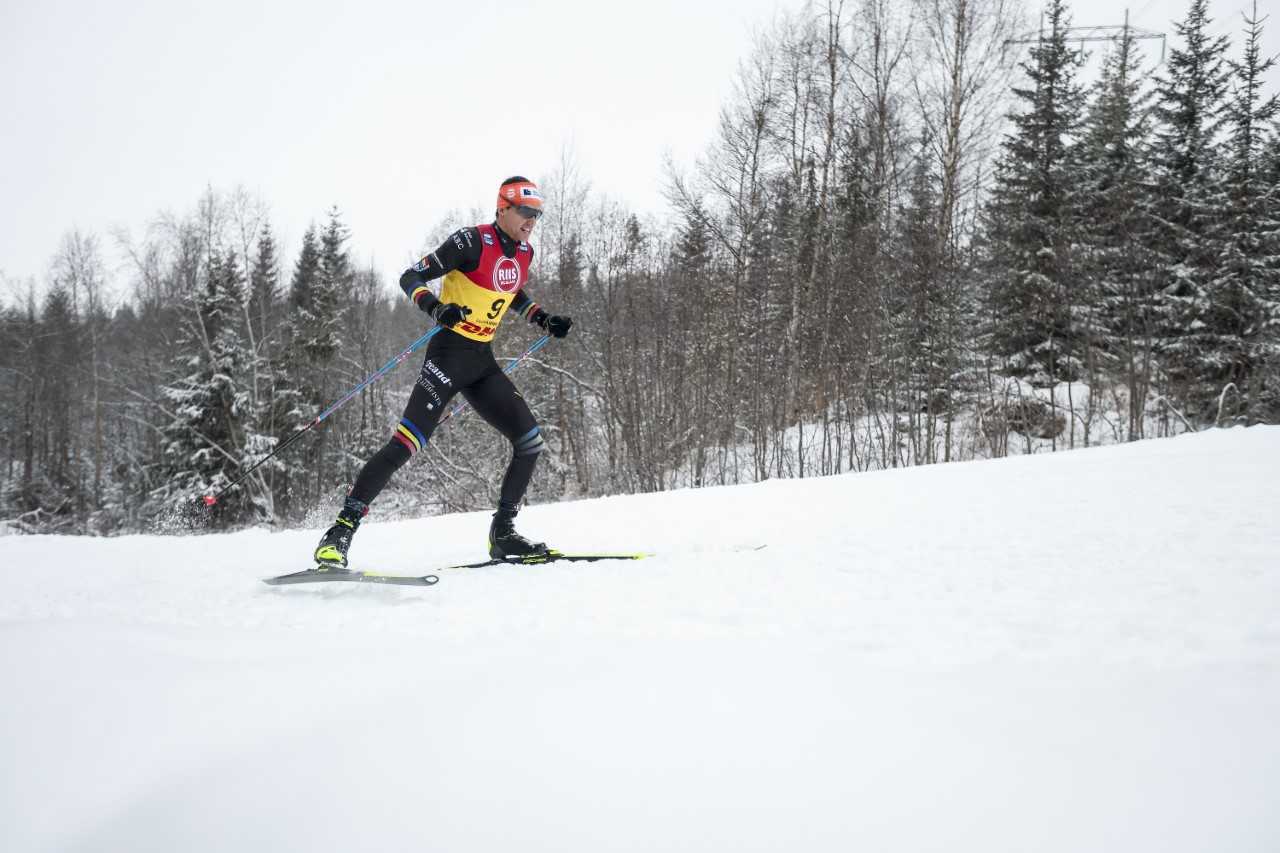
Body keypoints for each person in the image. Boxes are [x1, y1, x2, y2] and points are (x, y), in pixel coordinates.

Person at [313, 176, 573, 569]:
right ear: (502, 208)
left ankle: (503, 535)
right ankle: (338, 534)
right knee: (406, 445)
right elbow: (410, 276)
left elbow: (511, 291)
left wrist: (542, 318)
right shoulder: (469, 242)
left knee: (530, 442)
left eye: (536, 214)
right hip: (447, 357)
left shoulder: (525, 253)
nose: (531, 220)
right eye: (525, 211)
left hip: (482, 363)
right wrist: (436, 308)